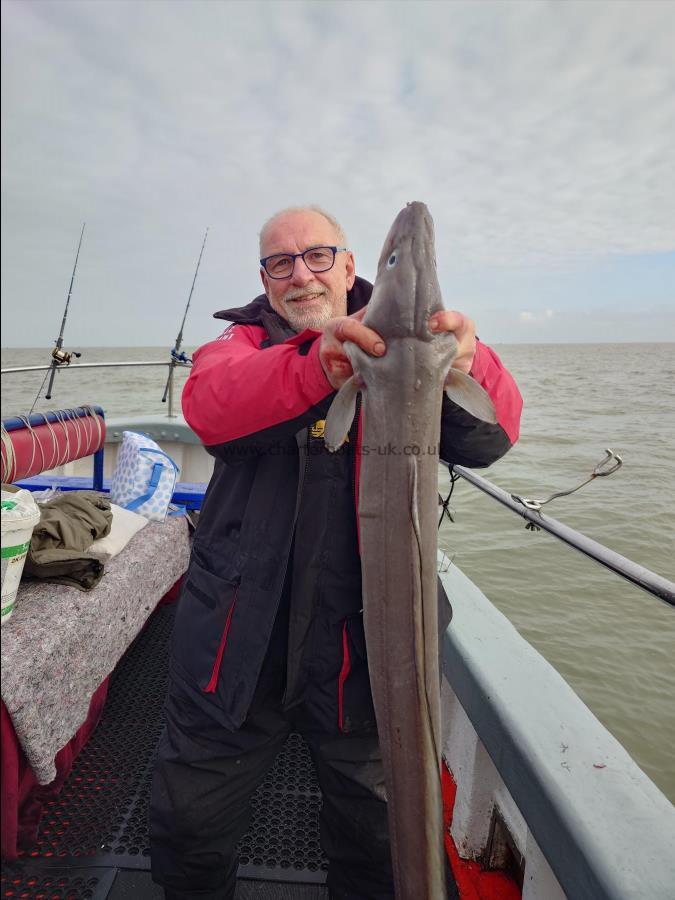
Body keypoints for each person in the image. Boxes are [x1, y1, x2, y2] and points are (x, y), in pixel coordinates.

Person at [150, 206, 522, 900]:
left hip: (365, 648)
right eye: (279, 263)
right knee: (188, 822)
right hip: (234, 641)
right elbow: (210, 406)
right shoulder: (238, 343)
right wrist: (318, 363)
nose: (300, 275)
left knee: (379, 837)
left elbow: (490, 440)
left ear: (351, 267)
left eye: (317, 256)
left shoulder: (419, 344)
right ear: (263, 279)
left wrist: (470, 361)